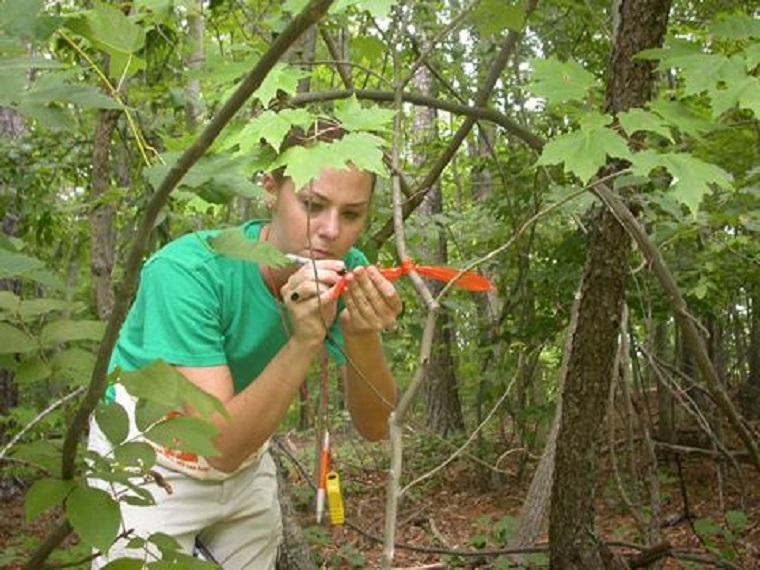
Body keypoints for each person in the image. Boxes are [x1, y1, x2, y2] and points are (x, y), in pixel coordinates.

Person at [87, 124, 401, 569]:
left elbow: (375, 425)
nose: (331, 231)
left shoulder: (345, 271)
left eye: (352, 215)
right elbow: (219, 444)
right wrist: (304, 340)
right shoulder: (188, 273)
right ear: (270, 189)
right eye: (312, 205)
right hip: (147, 457)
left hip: (245, 461)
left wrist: (363, 332)